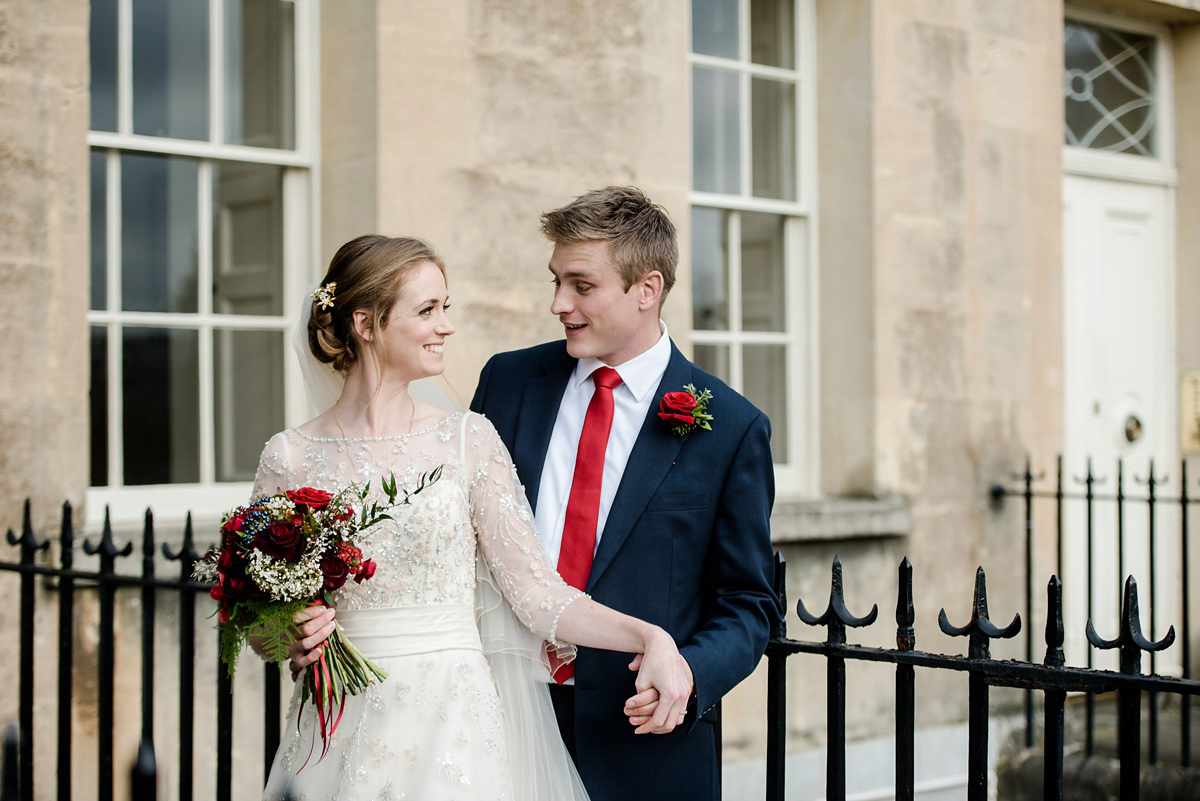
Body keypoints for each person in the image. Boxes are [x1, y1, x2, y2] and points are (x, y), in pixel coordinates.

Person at [255, 234, 692, 801]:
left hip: (452, 726)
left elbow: (538, 595)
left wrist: (648, 635)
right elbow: (260, 623)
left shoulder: (466, 439)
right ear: (365, 325)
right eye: (427, 310)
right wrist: (290, 634)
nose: (446, 326)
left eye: (446, 308)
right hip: (334, 724)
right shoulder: (288, 456)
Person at [470, 186, 782, 801]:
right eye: (556, 281)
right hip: (499, 719)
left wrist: (690, 672)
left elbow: (749, 601)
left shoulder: (733, 427)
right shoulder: (508, 382)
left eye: (581, 286)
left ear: (648, 289)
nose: (559, 304)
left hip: (642, 748)